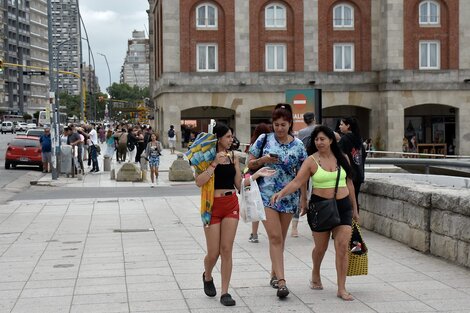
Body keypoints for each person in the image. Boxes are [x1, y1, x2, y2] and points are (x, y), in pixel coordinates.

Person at [271, 125, 359, 301]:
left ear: (331, 140)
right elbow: (297, 182)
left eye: (322, 139)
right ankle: (315, 272)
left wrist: (355, 209)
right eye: (316, 140)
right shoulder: (311, 161)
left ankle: (341, 288)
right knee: (321, 247)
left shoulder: (342, 159)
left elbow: (349, 183)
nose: (319, 143)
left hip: (343, 207)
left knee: (342, 247)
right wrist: (281, 193)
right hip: (320, 207)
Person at [192, 123, 275, 306]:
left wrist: (256, 175)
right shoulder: (206, 157)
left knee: (226, 249)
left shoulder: (234, 157)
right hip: (211, 206)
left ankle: (225, 292)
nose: (231, 140)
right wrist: (214, 163)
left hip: (231, 205)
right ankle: (207, 275)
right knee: (213, 253)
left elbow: (239, 184)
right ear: (219, 138)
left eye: (231, 136)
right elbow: (199, 181)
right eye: (228, 136)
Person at [248, 103, 308, 298]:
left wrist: (303, 199)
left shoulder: (299, 146)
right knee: (274, 237)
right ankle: (282, 281)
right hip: (266, 195)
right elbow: (249, 163)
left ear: (290, 124)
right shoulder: (264, 140)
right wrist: (263, 160)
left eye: (283, 124)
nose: (279, 128)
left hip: (289, 197)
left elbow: (302, 174)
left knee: (280, 239)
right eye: (276, 124)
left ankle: (274, 273)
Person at [291, 112, 317, 237]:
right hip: (317, 164)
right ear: (314, 119)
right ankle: (315, 226)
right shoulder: (320, 129)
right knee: (316, 195)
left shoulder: (301, 132)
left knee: (299, 195)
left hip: (303, 166)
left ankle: (294, 228)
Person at [245, 122, 272, 244]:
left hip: (256, 177)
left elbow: (248, 162)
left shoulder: (253, 143)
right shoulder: (271, 143)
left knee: (256, 205)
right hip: (268, 178)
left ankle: (254, 234)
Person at [338, 117, 366, 212]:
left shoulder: (344, 140)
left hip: (348, 176)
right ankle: (355, 224)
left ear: (348, 126)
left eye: (342, 124)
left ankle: (348, 224)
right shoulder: (359, 139)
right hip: (358, 174)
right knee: (355, 200)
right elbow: (364, 155)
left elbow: (337, 155)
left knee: (347, 201)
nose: (339, 126)